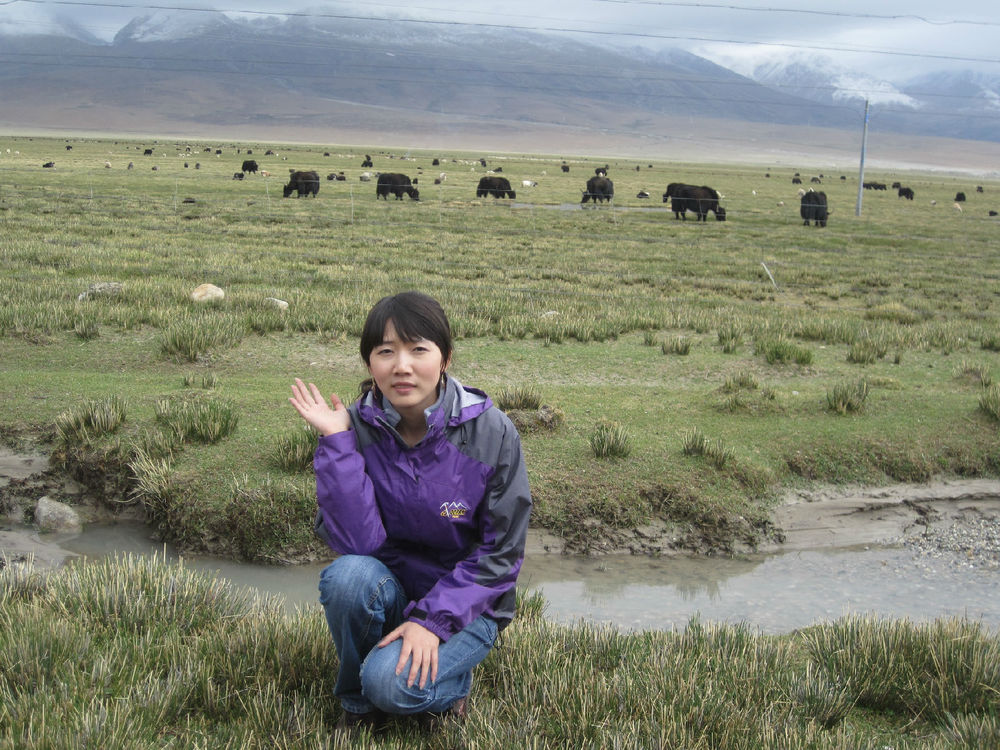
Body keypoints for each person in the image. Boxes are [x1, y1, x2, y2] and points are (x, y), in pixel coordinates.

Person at [288, 291, 532, 733]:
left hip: (468, 608)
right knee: (346, 577)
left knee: (391, 685)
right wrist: (337, 444)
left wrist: (432, 622)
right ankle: (357, 706)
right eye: (386, 351)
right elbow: (358, 545)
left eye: (418, 349)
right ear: (370, 364)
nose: (401, 366)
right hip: (394, 590)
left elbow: (501, 555)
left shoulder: (491, 432)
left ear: (445, 359)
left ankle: (448, 688)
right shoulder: (356, 428)